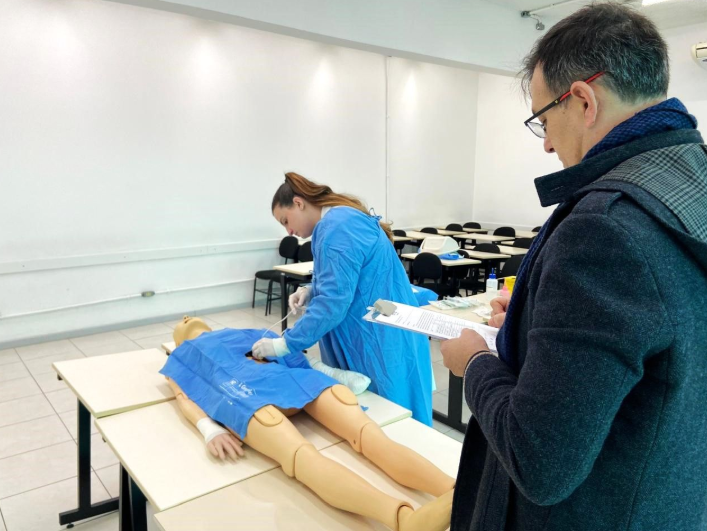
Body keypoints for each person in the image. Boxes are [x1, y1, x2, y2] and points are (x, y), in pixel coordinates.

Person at [439, 4, 707, 531]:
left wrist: (475, 362)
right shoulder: (690, 181)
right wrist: (533, 321)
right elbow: (663, 341)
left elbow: (539, 462)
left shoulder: (604, 228)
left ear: (583, 100)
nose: (546, 143)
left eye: (543, 119)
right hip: (666, 495)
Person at [162, 316, 455, 531]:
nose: (186, 317)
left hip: (292, 380)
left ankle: (457, 489)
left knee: (367, 434)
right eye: (181, 322)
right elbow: (183, 396)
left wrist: (332, 376)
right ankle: (404, 520)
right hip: (244, 395)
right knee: (302, 456)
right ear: (176, 341)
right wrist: (209, 429)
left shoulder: (244, 331)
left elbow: (295, 356)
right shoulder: (181, 355)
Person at [252, 172, 434, 425]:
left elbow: (332, 303)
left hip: (379, 339)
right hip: (383, 329)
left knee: (390, 416)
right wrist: (311, 290)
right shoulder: (339, 220)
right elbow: (348, 277)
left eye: (285, 221)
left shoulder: (337, 227)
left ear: (298, 203)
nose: (289, 231)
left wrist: (284, 344)